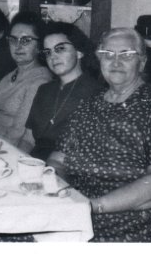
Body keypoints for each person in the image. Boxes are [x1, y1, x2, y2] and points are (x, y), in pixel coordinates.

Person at [49, 28, 151, 242]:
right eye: (108, 55)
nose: (115, 62)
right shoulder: (90, 103)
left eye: (126, 55)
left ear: (142, 62)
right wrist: (64, 195)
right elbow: (58, 160)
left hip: (128, 224)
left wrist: (93, 207)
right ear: (99, 60)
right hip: (75, 210)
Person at [18, 22, 102, 160]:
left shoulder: (96, 94)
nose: (53, 57)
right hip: (33, 163)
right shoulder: (44, 90)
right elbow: (27, 139)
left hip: (66, 169)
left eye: (60, 48)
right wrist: (18, 161)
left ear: (79, 51)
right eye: (48, 52)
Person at [0, 11, 52, 146]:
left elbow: (17, 133)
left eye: (26, 40)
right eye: (13, 40)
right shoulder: (10, 75)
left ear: (39, 46)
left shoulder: (39, 82)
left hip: (6, 149)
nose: (18, 46)